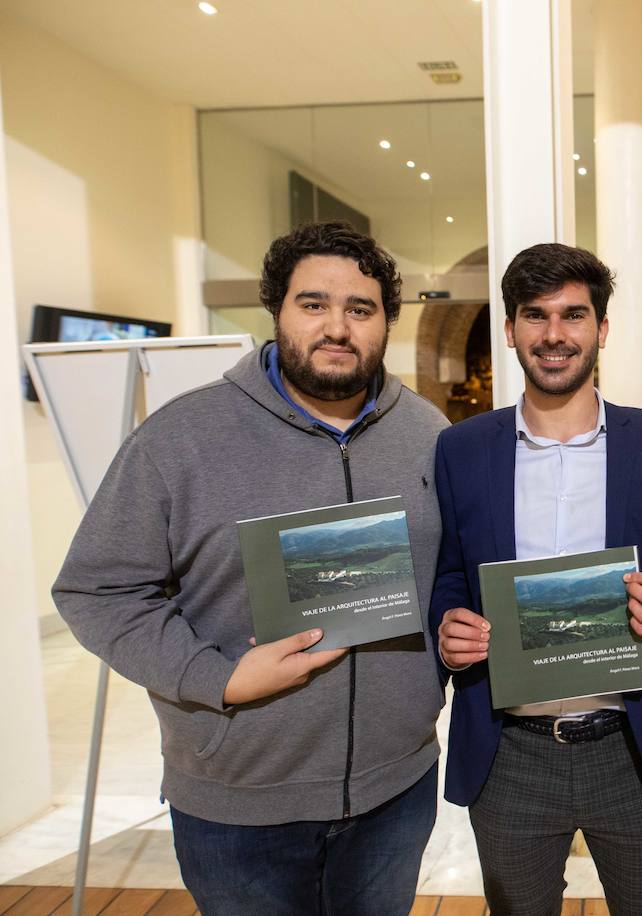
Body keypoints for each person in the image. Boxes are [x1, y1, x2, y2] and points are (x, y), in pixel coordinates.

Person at [52, 221, 450, 915]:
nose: (337, 327)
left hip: (397, 789)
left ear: (386, 321)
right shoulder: (180, 437)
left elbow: (449, 577)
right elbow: (97, 589)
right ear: (277, 311)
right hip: (239, 804)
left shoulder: (429, 433)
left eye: (360, 309)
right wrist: (218, 678)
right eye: (313, 304)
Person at [430, 242, 642, 916]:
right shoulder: (462, 449)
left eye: (573, 315)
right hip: (510, 752)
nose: (554, 335)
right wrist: (449, 625)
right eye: (535, 316)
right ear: (510, 330)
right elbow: (449, 574)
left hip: (632, 743)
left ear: (602, 329)